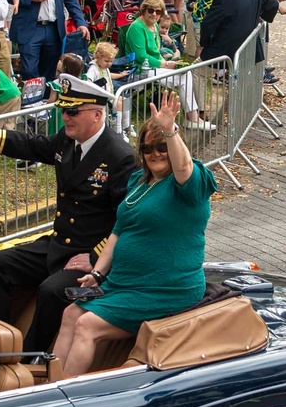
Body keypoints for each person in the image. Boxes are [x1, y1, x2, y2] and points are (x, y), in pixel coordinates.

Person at [0, 75, 137, 353]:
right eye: (63, 110)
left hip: (90, 256)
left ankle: (30, 358)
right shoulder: (68, 141)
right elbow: (30, 145)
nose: (65, 118)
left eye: (72, 112)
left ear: (97, 114)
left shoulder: (120, 156)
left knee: (51, 291)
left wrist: (96, 257)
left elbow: (128, 221)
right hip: (59, 246)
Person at [52, 94, 215, 380]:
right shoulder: (139, 182)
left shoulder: (190, 185)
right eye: (148, 147)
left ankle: (64, 398)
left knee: (87, 324)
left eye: (162, 146)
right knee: (69, 315)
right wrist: (98, 274)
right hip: (124, 283)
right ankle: (46, 389)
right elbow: (119, 230)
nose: (155, 153)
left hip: (164, 289)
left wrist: (170, 130)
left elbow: (184, 168)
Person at [198, 0, 286, 64]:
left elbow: (207, 24)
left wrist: (204, 43)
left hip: (225, 53)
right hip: (249, 51)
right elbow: (270, 3)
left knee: (195, 73)